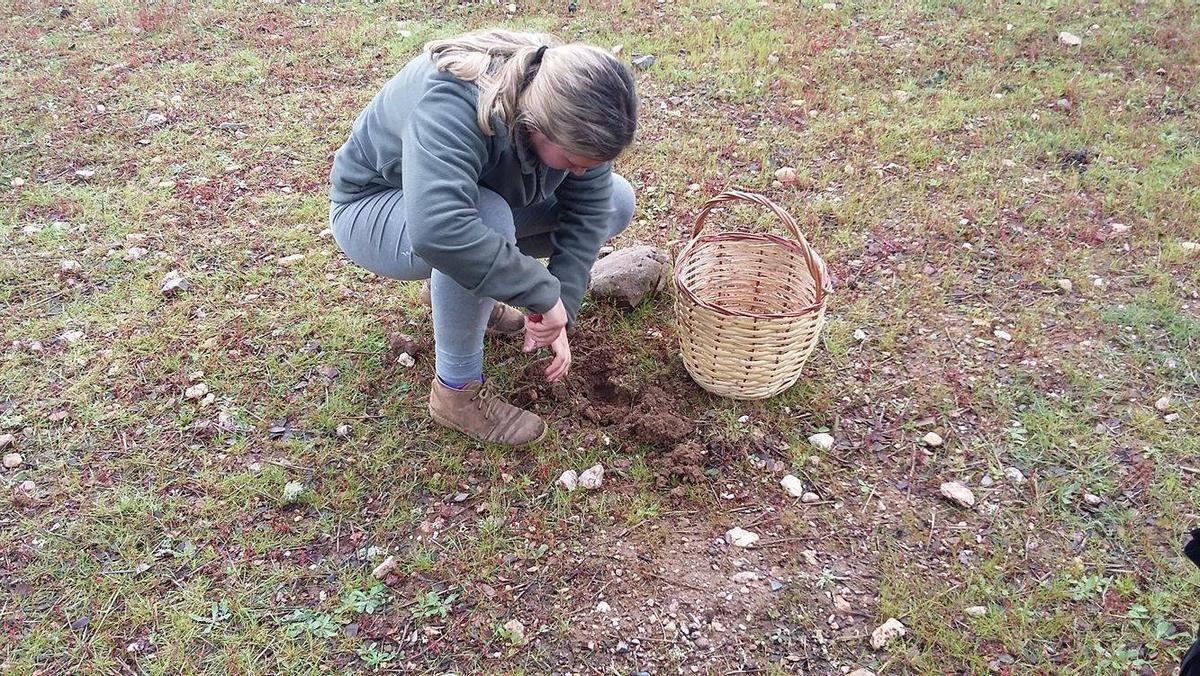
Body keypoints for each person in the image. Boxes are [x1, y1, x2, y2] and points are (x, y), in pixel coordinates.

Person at [328, 29, 638, 447]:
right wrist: (539, 293)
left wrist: (561, 303)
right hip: (375, 207)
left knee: (616, 201)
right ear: (536, 126)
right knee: (483, 221)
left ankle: (467, 299)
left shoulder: (576, 97)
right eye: (572, 160)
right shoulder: (455, 100)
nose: (580, 171)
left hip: (463, 201)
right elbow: (440, 228)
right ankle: (456, 393)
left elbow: (588, 211)